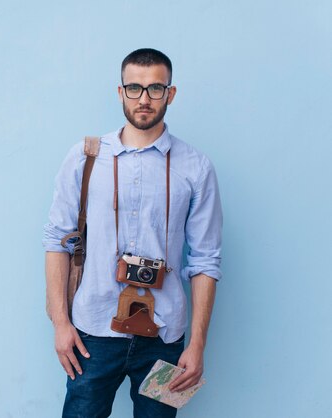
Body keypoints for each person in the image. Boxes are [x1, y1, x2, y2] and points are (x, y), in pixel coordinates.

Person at [43, 48, 223, 418]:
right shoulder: (85, 156)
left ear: (170, 94)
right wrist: (61, 324)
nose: (144, 99)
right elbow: (57, 241)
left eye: (155, 88)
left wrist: (197, 345)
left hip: (165, 337)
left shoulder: (196, 167)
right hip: (91, 334)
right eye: (134, 88)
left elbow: (205, 260)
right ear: (120, 92)